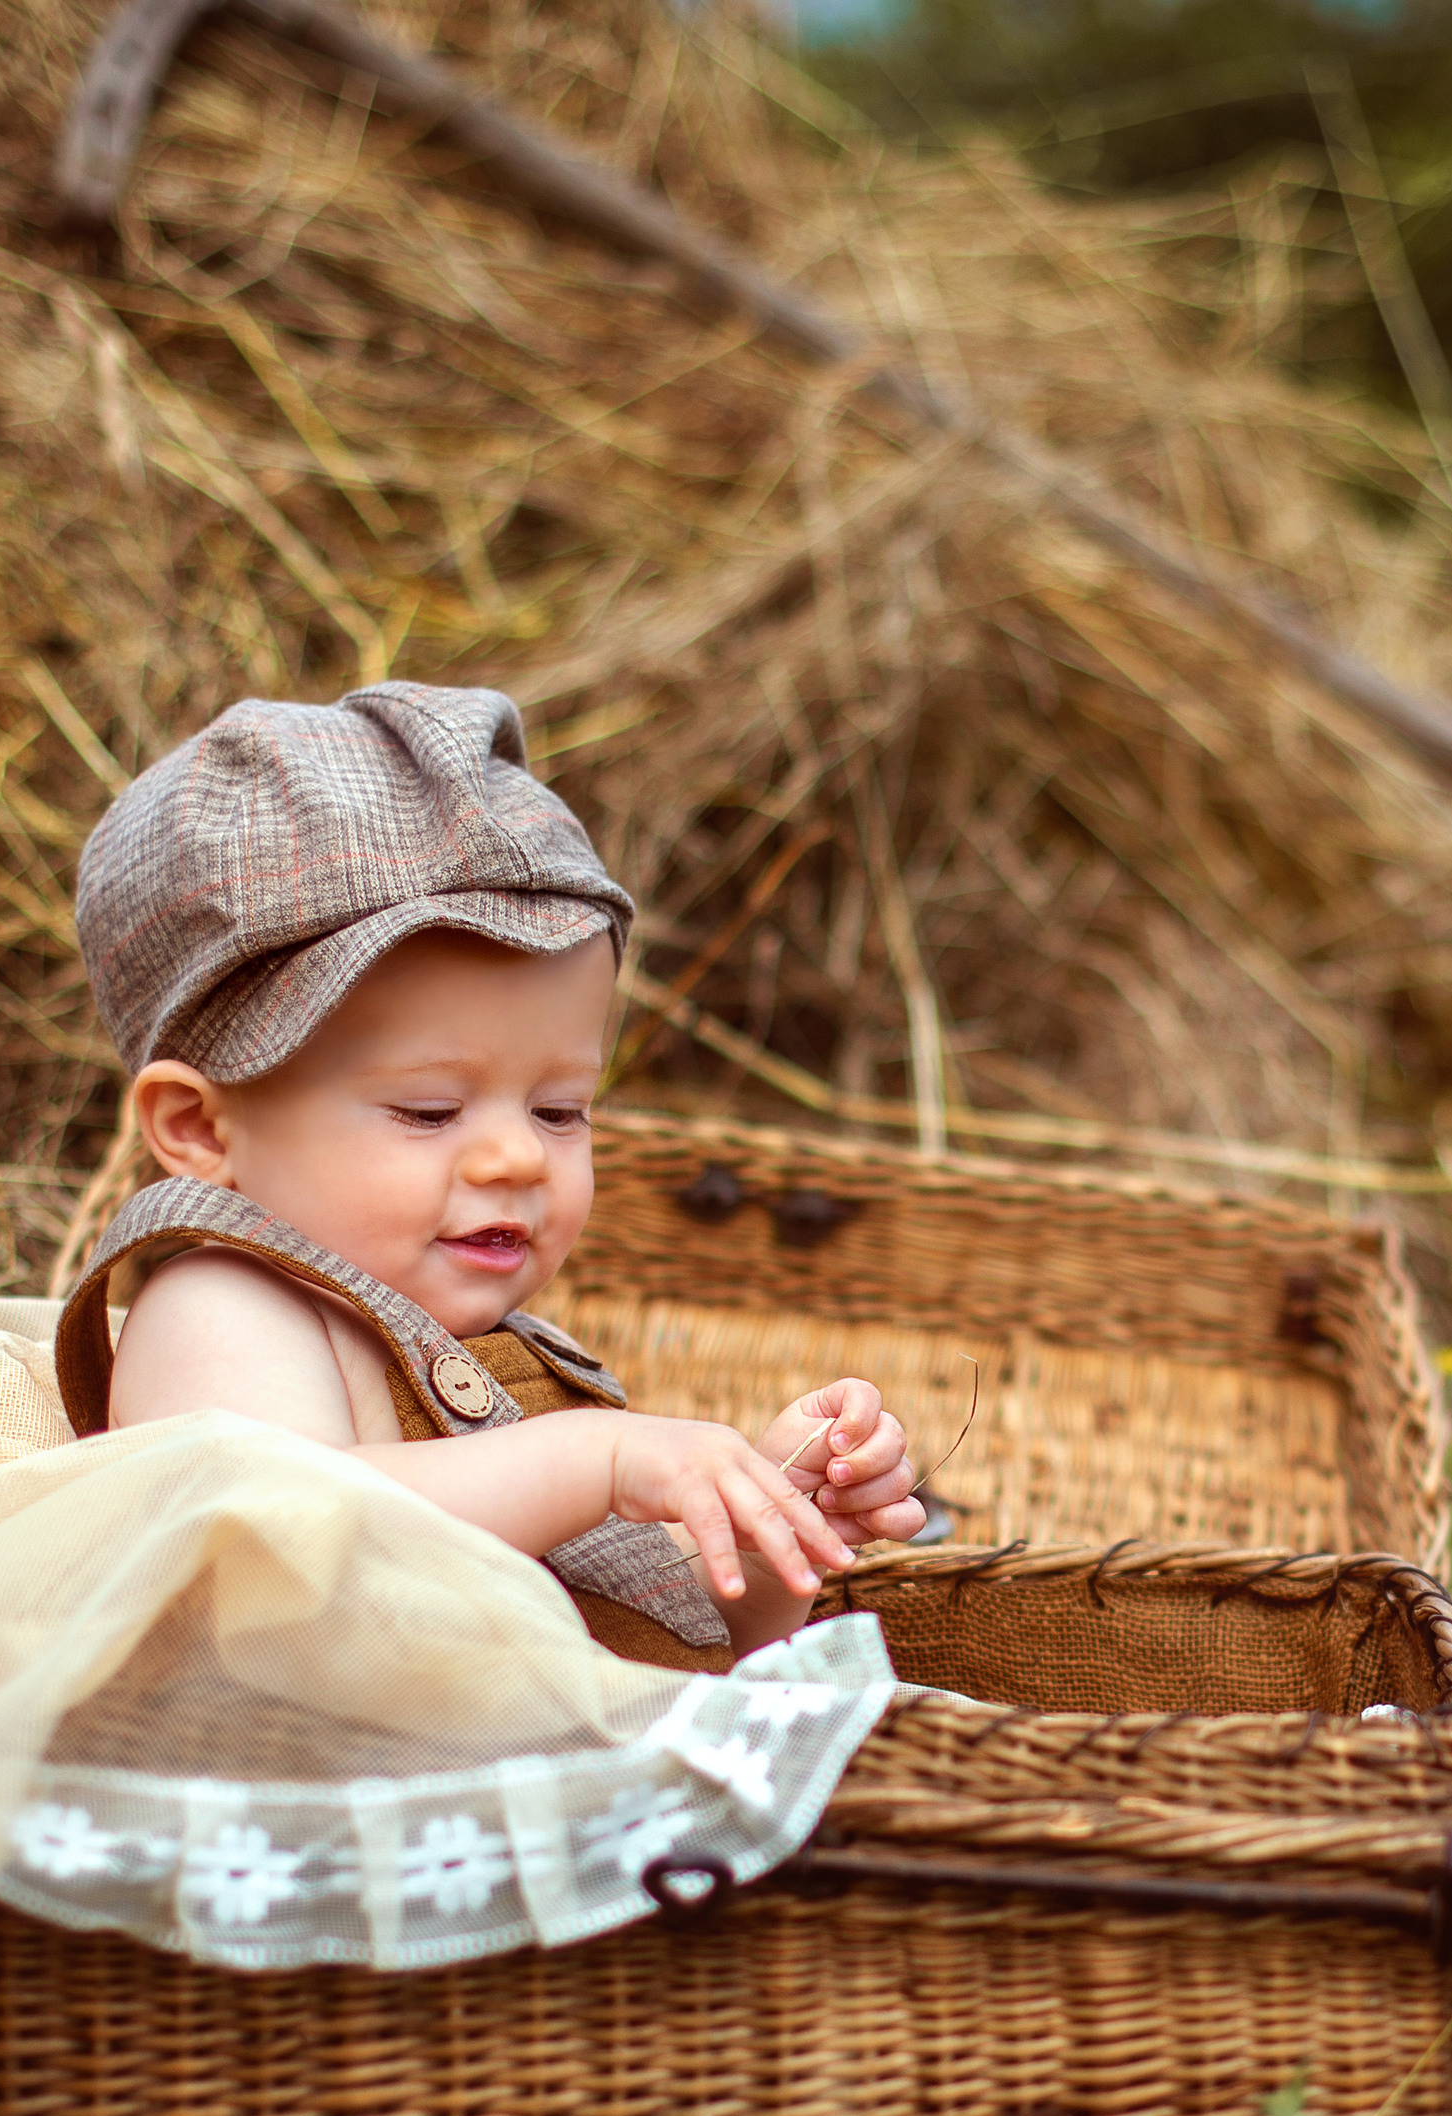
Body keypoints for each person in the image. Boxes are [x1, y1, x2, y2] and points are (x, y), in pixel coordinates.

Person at [54, 682, 926, 1669]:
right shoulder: (227, 1307)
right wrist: (594, 1461)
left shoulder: (492, 1363)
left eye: (560, 1110)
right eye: (428, 1111)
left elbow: (645, 1654)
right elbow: (282, 1539)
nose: (516, 1156)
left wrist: (765, 1523)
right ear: (199, 1127)